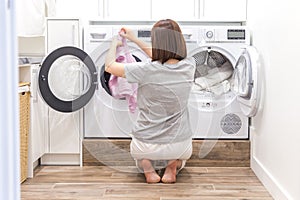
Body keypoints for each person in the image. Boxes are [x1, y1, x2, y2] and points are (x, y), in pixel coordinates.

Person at [105, 19, 195, 184]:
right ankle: (172, 165)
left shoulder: (144, 70)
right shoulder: (190, 65)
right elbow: (164, 58)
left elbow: (109, 66)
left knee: (140, 157)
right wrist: (134, 39)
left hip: (145, 145)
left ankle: (147, 167)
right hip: (180, 145)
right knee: (181, 156)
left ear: (156, 43)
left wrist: (113, 44)